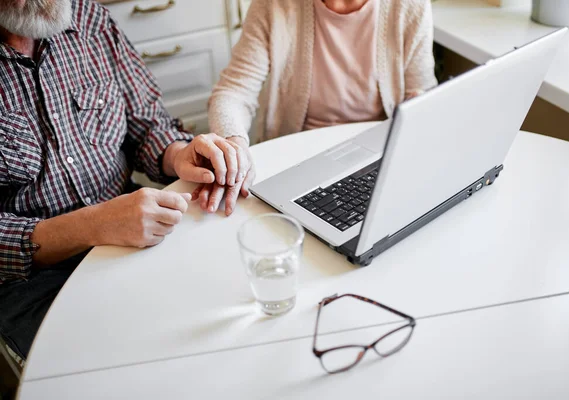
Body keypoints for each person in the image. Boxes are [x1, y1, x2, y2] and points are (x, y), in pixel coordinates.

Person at [0, 0, 251, 362]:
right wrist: (91, 225)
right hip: (31, 281)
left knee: (221, 321)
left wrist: (179, 155)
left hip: (132, 223)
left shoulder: (91, 18)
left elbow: (145, 125)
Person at [201, 0, 436, 204]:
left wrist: (419, 106)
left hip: (377, 154)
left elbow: (422, 94)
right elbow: (233, 92)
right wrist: (234, 144)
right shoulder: (272, 5)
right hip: (295, 156)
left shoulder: (410, 5)